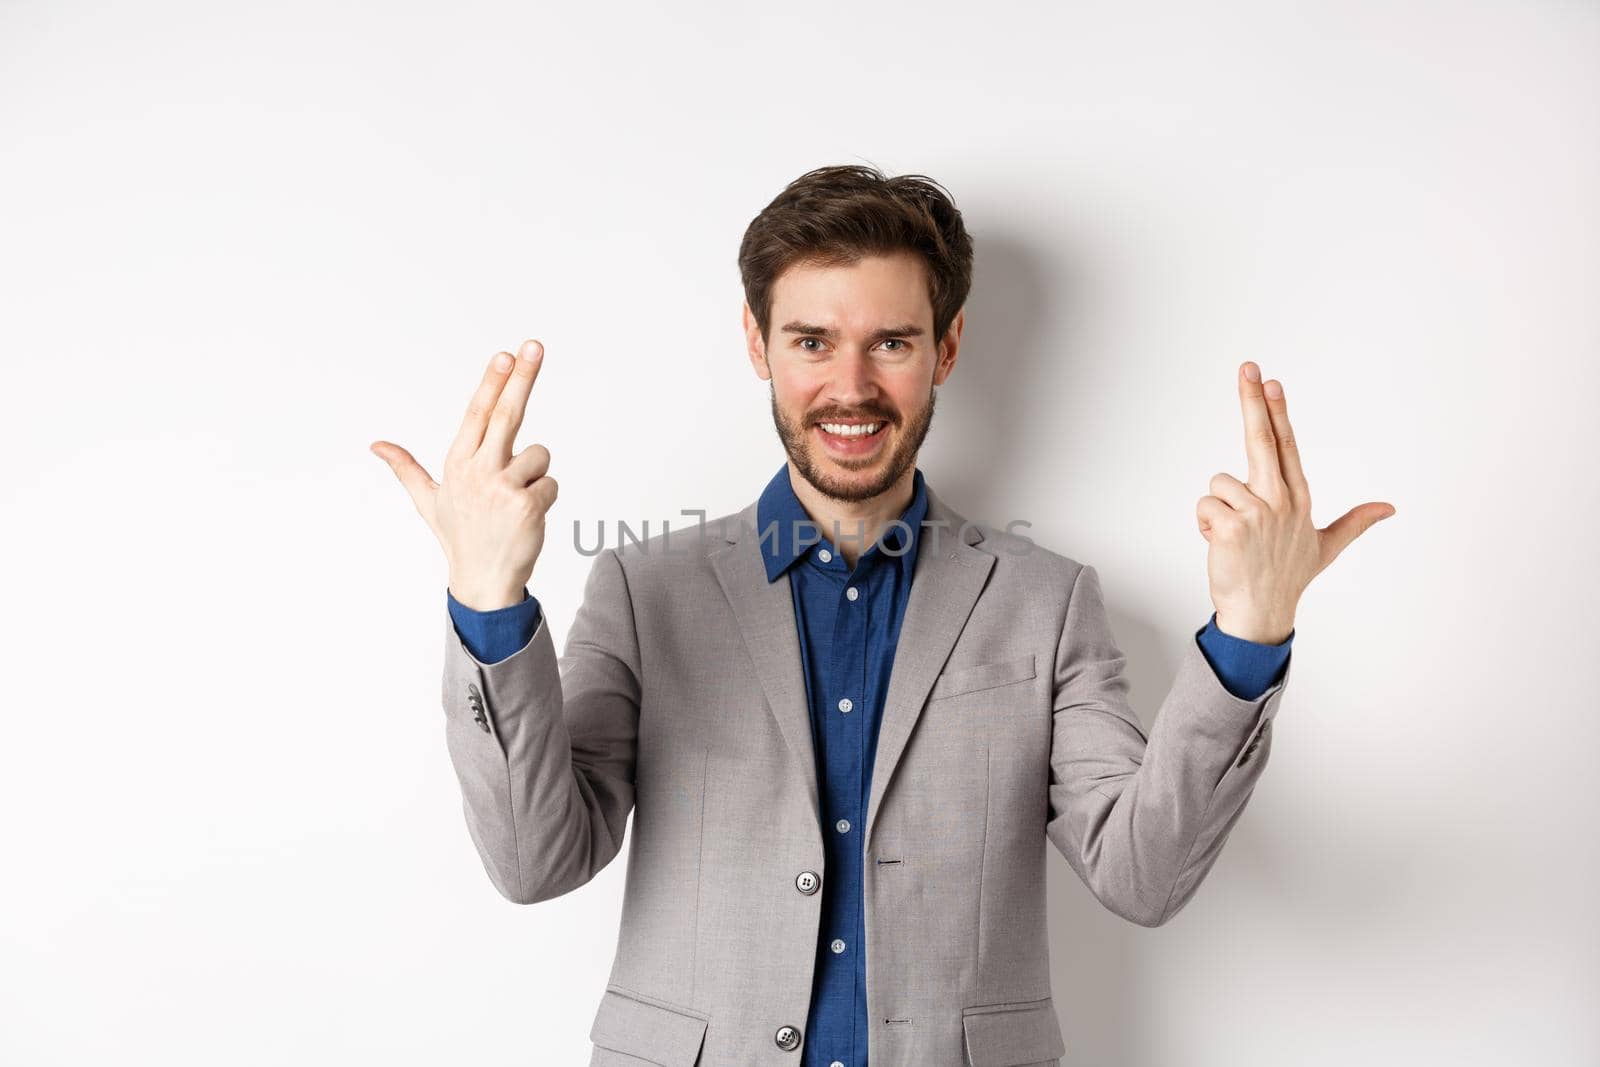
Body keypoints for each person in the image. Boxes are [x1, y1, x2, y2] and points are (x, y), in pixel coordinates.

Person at [370, 164, 1395, 1067]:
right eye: (811, 340)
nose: (849, 386)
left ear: (946, 349)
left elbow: (1142, 874)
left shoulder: (1047, 600)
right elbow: (536, 860)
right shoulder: (648, 590)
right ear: (757, 344)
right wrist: (486, 598)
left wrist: (1250, 635)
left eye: (891, 341)